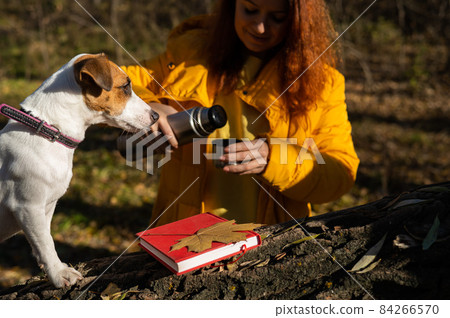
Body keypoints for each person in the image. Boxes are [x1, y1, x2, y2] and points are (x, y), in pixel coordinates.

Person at [121, 0, 359, 226]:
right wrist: (148, 106)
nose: (260, 27)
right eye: (250, 10)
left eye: (277, 18)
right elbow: (115, 82)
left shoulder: (322, 83)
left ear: (300, 21)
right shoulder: (190, 54)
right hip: (181, 241)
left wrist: (273, 158)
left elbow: (341, 172)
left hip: (268, 250)